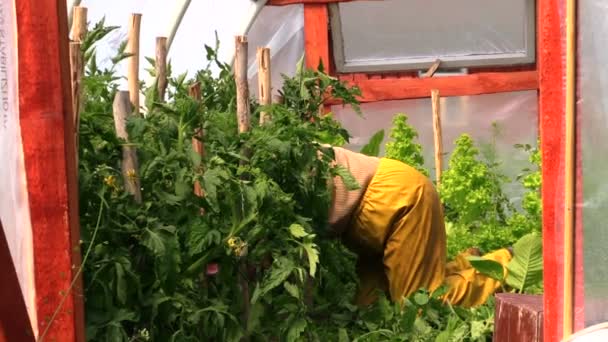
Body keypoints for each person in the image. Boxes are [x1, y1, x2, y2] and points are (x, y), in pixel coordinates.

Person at [325, 145, 512, 308]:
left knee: (417, 306)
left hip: (396, 198)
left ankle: (508, 265)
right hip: (366, 219)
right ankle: (467, 263)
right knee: (369, 309)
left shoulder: (298, 153)